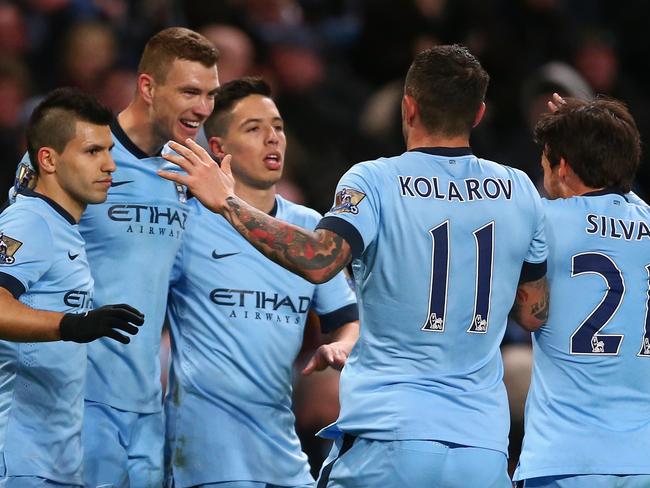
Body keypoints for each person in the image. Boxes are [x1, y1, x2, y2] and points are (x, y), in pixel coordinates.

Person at [160, 45, 549, 487]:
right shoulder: (519, 189)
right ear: (478, 114)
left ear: (408, 107)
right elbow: (533, 312)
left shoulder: (374, 180)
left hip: (390, 440)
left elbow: (319, 259)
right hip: (482, 446)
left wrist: (228, 203)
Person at [10, 27, 220, 487]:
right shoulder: (76, 157)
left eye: (210, 94)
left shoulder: (190, 173)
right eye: (189, 91)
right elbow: (20, 253)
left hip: (146, 401)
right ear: (147, 87)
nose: (203, 108)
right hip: (73, 399)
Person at [165, 77, 359, 488]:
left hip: (280, 450)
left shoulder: (309, 228)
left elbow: (348, 318)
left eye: (278, 126)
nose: (273, 138)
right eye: (253, 129)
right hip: (202, 456)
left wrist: (341, 345)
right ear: (219, 149)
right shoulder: (186, 224)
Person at [0, 88, 144, 486]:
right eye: (92, 152)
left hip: (53, 459)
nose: (111, 165)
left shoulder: (60, 227)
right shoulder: (29, 223)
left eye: (110, 150)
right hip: (17, 459)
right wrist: (69, 325)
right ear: (48, 159)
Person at [513, 97, 650, 488]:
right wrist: (598, 129)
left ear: (563, 167)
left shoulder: (542, 221)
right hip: (643, 460)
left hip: (564, 458)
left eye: (545, 161)